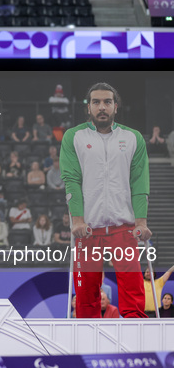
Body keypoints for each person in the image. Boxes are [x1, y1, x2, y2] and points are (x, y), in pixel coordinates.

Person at [61, 82, 151, 319]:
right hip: (87, 230)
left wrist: (141, 223)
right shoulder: (74, 137)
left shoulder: (133, 138)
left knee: (133, 289)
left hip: (124, 228)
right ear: (88, 107)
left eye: (107, 102)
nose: (102, 107)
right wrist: (77, 220)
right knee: (85, 293)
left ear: (116, 107)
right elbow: (72, 181)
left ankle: (136, 342)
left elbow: (139, 183)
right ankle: (86, 346)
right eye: (97, 102)